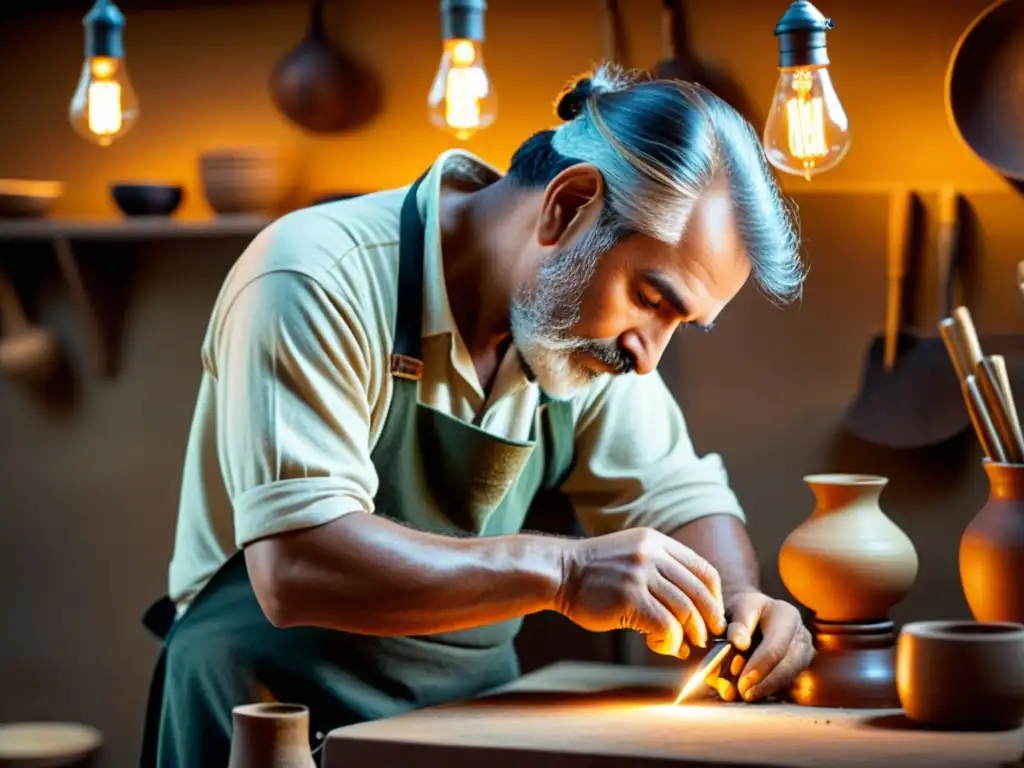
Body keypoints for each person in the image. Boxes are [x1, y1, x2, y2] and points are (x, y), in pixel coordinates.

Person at [139, 63, 813, 768]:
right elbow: (299, 566)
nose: (647, 356)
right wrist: (565, 574)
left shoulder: (577, 331)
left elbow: (679, 498)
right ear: (568, 205)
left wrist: (738, 604)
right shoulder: (316, 274)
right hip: (264, 711)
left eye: (682, 322)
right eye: (652, 298)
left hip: (463, 718)